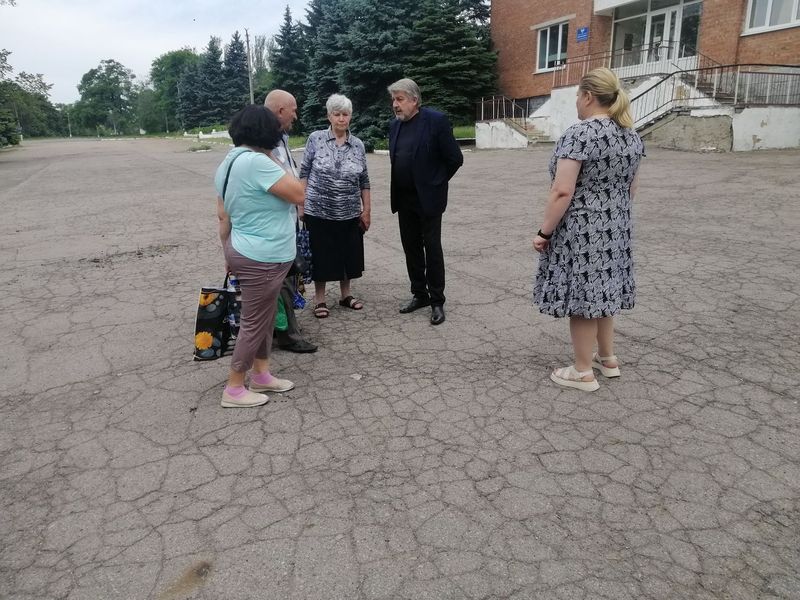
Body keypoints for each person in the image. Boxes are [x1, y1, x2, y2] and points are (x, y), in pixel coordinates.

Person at [533, 67, 645, 392]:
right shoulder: (631, 135)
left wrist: (544, 232)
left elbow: (562, 191)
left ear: (587, 96)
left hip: (583, 230)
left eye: (578, 98)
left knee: (583, 298)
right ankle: (607, 358)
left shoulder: (580, 133)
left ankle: (582, 371)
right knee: (604, 291)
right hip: (616, 227)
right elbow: (631, 189)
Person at [214, 105, 305, 408]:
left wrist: (227, 251)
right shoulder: (256, 162)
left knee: (264, 318)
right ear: (266, 132)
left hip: (245, 248)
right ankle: (235, 387)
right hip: (262, 255)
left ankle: (262, 373)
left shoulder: (229, 161)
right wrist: (273, 156)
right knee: (254, 322)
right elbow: (298, 193)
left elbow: (222, 214)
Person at [388, 78, 463, 326]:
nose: (395, 105)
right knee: (411, 247)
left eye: (399, 99)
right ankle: (418, 294)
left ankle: (437, 301)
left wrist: (436, 182)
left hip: (428, 199)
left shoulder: (435, 121)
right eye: (393, 100)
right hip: (404, 198)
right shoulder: (395, 126)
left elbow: (454, 158)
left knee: (432, 249)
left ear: (414, 100)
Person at [298, 93, 371, 318]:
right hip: (318, 209)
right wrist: (301, 203)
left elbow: (364, 179)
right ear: (329, 116)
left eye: (345, 114)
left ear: (350, 116)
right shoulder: (316, 138)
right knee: (321, 254)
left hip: (349, 211)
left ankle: (345, 295)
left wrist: (366, 210)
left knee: (348, 253)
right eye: (337, 114)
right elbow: (304, 172)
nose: (341, 118)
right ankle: (320, 300)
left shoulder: (357, 144)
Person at [264, 89, 317, 353]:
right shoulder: (263, 142)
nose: (296, 114)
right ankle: (287, 334)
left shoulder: (281, 138)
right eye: (293, 109)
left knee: (287, 276)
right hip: (274, 222)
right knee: (281, 277)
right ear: (281, 110)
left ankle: (281, 327)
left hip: (286, 218)